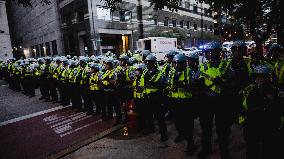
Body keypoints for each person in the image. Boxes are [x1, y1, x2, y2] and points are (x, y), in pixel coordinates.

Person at [240, 64, 282, 159]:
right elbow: (242, 104)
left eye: (263, 77)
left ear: (269, 78)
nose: (260, 79)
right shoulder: (248, 90)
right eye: (257, 76)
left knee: (268, 149)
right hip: (251, 124)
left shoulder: (276, 91)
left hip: (269, 125)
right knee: (251, 149)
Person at [167, 54, 196, 155]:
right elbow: (168, 84)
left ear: (184, 63)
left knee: (188, 124)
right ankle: (181, 134)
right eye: (175, 63)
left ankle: (190, 143)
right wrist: (171, 88)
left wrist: (182, 85)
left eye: (179, 63)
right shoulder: (172, 72)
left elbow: (193, 87)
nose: (177, 66)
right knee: (177, 122)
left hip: (186, 102)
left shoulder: (190, 72)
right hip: (175, 101)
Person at [142, 54, 167, 141]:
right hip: (147, 96)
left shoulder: (159, 73)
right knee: (148, 115)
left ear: (154, 63)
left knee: (160, 117)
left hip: (156, 97)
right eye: (147, 63)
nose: (147, 64)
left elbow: (163, 84)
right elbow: (143, 84)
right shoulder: (145, 72)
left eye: (149, 63)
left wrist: (152, 83)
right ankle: (150, 128)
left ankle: (163, 134)